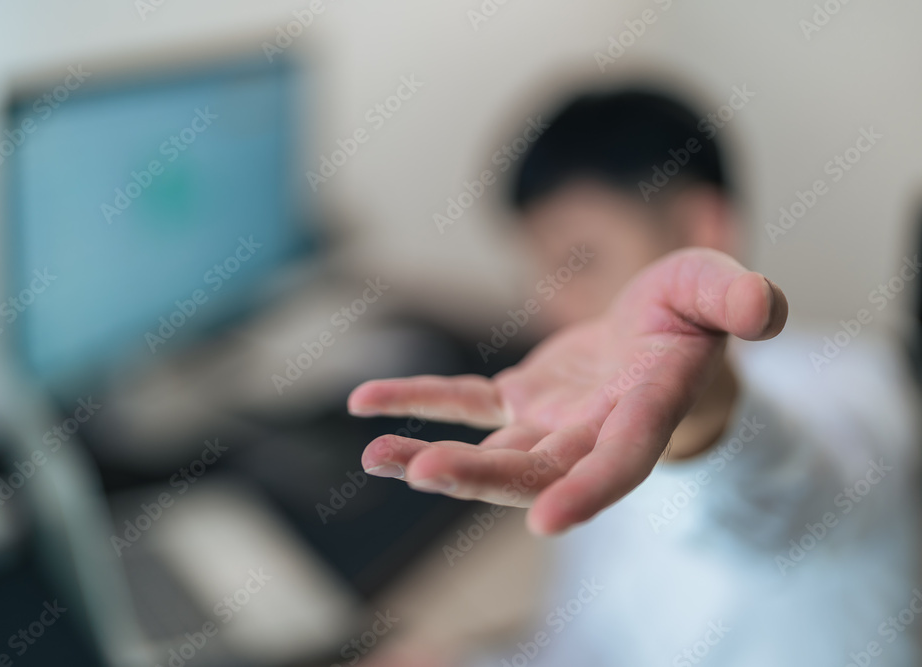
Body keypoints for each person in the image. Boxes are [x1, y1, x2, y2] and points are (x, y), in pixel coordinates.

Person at [348, 88, 921, 665]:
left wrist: (696, 409)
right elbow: (592, 647)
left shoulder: (857, 386)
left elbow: (784, 501)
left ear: (702, 227)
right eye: (538, 270)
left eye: (579, 259)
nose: (549, 304)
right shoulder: (594, 417)